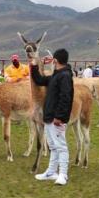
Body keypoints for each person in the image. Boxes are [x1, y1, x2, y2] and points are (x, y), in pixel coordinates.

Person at [31, 48, 74, 185]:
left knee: (61, 146)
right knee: (53, 146)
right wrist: (34, 66)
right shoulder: (55, 76)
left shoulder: (65, 76)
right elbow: (39, 80)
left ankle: (63, 174)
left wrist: (59, 117)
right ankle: (51, 172)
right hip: (49, 117)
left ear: (55, 60)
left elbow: (65, 98)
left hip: (56, 118)